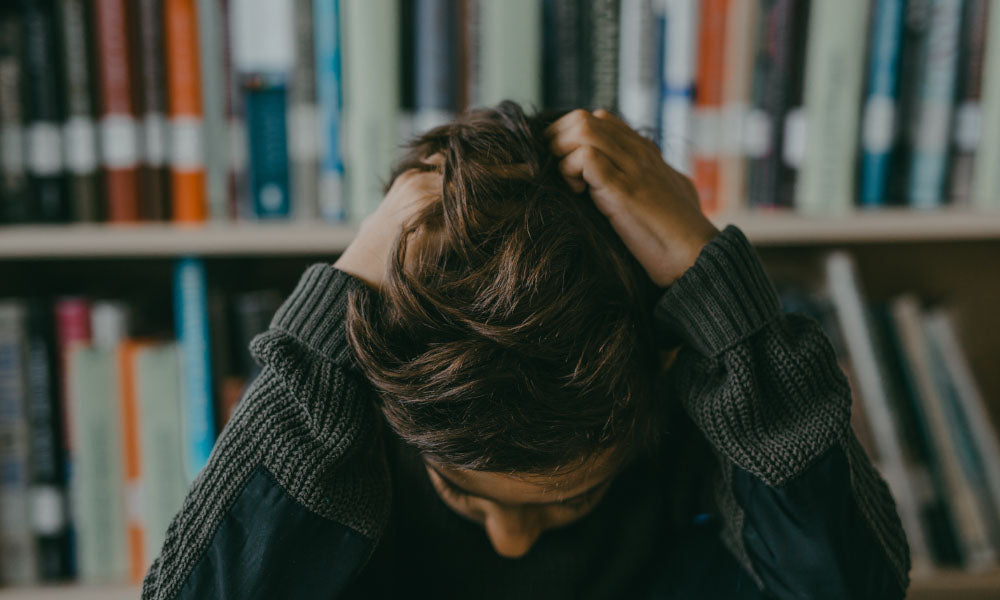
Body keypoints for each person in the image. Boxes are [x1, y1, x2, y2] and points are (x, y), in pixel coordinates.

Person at [141, 102, 909, 599]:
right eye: (462, 493)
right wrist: (340, 306)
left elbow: (853, 590)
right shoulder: (359, 444)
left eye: (569, 498)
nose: (511, 544)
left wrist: (728, 305)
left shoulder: (701, 443)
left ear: (667, 367)